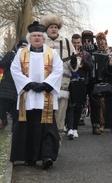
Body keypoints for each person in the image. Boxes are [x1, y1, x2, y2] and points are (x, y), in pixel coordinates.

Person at [10, 21, 63, 169]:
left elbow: (58, 71)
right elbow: (15, 70)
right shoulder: (21, 53)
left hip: (46, 94)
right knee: (27, 127)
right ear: (29, 38)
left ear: (44, 38)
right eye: (34, 36)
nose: (37, 38)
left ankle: (47, 156)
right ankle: (29, 157)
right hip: (28, 96)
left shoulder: (52, 53)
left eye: (39, 35)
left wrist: (46, 85)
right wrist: (29, 84)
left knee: (47, 127)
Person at [40, 14, 80, 138]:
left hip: (63, 85)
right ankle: (43, 143)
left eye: (56, 27)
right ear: (46, 28)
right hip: (44, 85)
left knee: (60, 116)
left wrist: (74, 62)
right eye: (51, 27)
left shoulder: (66, 42)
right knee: (45, 115)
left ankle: (56, 143)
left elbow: (75, 61)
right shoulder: (41, 42)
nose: (53, 29)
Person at [65, 34, 93, 139]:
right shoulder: (67, 52)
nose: (76, 44)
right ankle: (70, 128)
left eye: (78, 42)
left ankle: (75, 128)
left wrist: (83, 60)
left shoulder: (86, 54)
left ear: (81, 43)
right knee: (70, 106)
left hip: (81, 82)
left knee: (79, 106)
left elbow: (90, 67)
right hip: (70, 81)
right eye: (74, 43)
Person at [0, 40, 28, 130]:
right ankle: (3, 120)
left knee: (16, 109)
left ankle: (15, 127)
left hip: (18, 86)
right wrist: (9, 60)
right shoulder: (10, 55)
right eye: (21, 47)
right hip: (7, 84)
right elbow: (1, 65)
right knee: (2, 105)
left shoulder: (29, 58)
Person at [89, 30, 110, 133]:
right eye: (100, 40)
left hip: (108, 79)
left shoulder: (109, 51)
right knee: (100, 102)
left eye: (103, 39)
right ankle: (101, 123)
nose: (102, 42)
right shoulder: (94, 52)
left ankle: (108, 122)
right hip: (97, 80)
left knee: (108, 102)